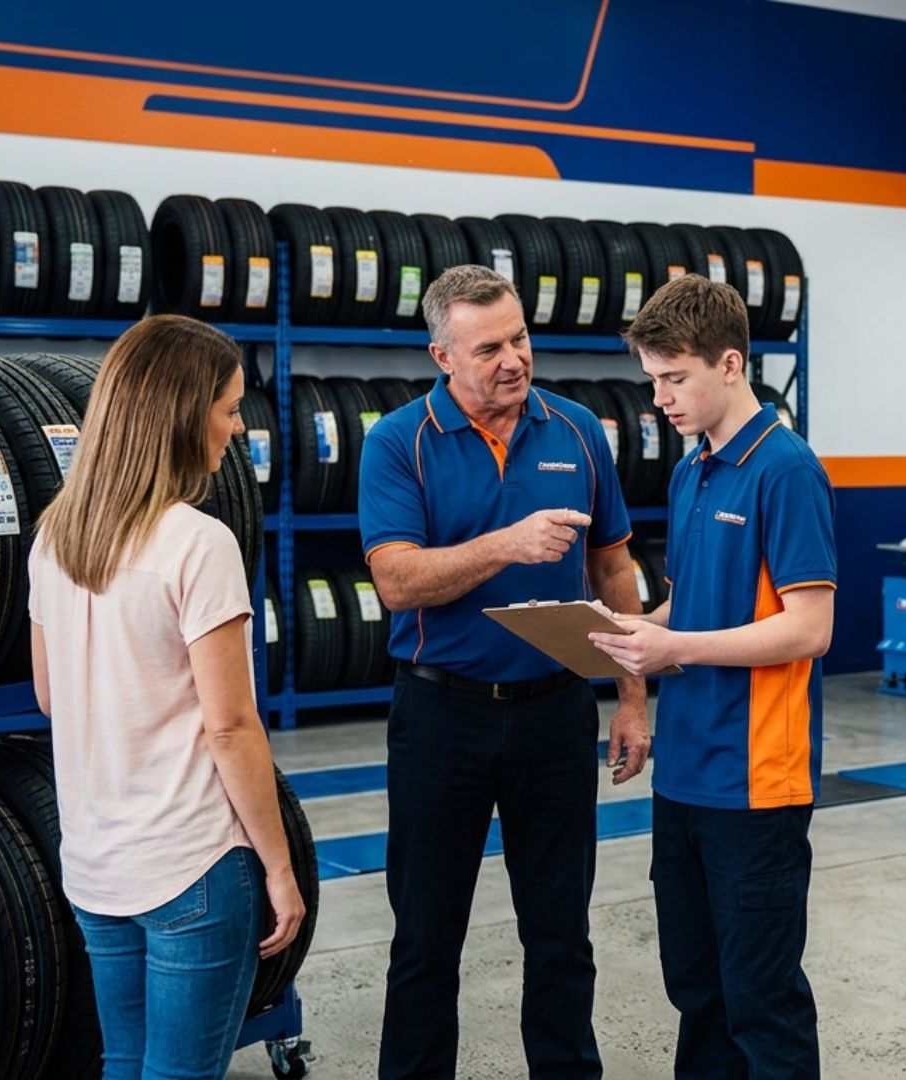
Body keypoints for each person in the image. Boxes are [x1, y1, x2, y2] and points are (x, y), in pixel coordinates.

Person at [358, 264, 651, 1079]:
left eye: (519, 338)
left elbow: (613, 569)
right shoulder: (396, 443)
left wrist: (632, 698)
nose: (513, 359)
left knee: (561, 933)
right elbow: (395, 580)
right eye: (488, 347)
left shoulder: (579, 429)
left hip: (557, 713)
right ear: (441, 355)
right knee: (425, 937)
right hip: (440, 717)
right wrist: (506, 546)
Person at [28, 314, 305, 1079]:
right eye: (228, 408)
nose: (237, 426)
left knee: (125, 1064)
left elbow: (52, 696)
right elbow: (231, 725)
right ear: (185, 421)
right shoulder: (198, 543)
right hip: (193, 866)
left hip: (94, 863)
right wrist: (279, 870)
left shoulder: (56, 538)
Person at [590, 274, 836, 1079]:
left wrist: (676, 649)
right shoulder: (693, 470)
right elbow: (691, 606)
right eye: (651, 381)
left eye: (674, 378)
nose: (659, 398)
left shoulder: (786, 470)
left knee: (759, 1001)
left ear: (731, 364)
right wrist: (637, 628)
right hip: (686, 775)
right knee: (697, 991)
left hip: (757, 782)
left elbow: (809, 626)